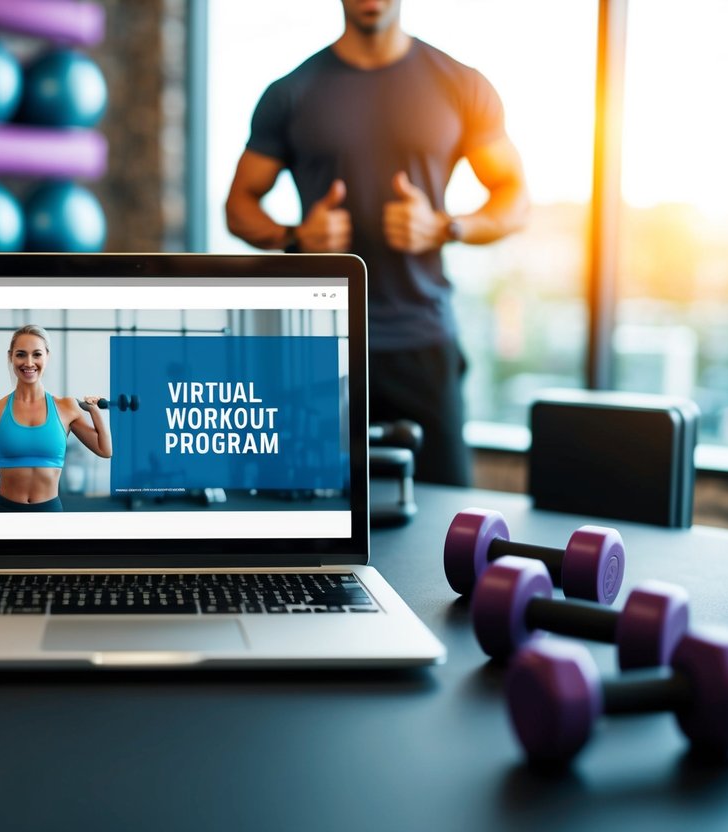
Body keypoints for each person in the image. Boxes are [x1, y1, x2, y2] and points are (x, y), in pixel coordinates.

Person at [224, 0, 529, 485]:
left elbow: (514, 199)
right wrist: (296, 236)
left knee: (446, 522)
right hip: (319, 346)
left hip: (422, 342)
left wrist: (445, 227)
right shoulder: (291, 92)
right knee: (311, 524)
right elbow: (239, 205)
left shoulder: (461, 84)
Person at [0, 324, 112, 511]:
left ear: (47, 356)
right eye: (21, 354)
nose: (29, 363)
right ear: (11, 357)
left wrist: (95, 410)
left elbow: (105, 450)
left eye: (37, 354)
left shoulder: (66, 407)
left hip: (49, 512)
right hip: (4, 511)